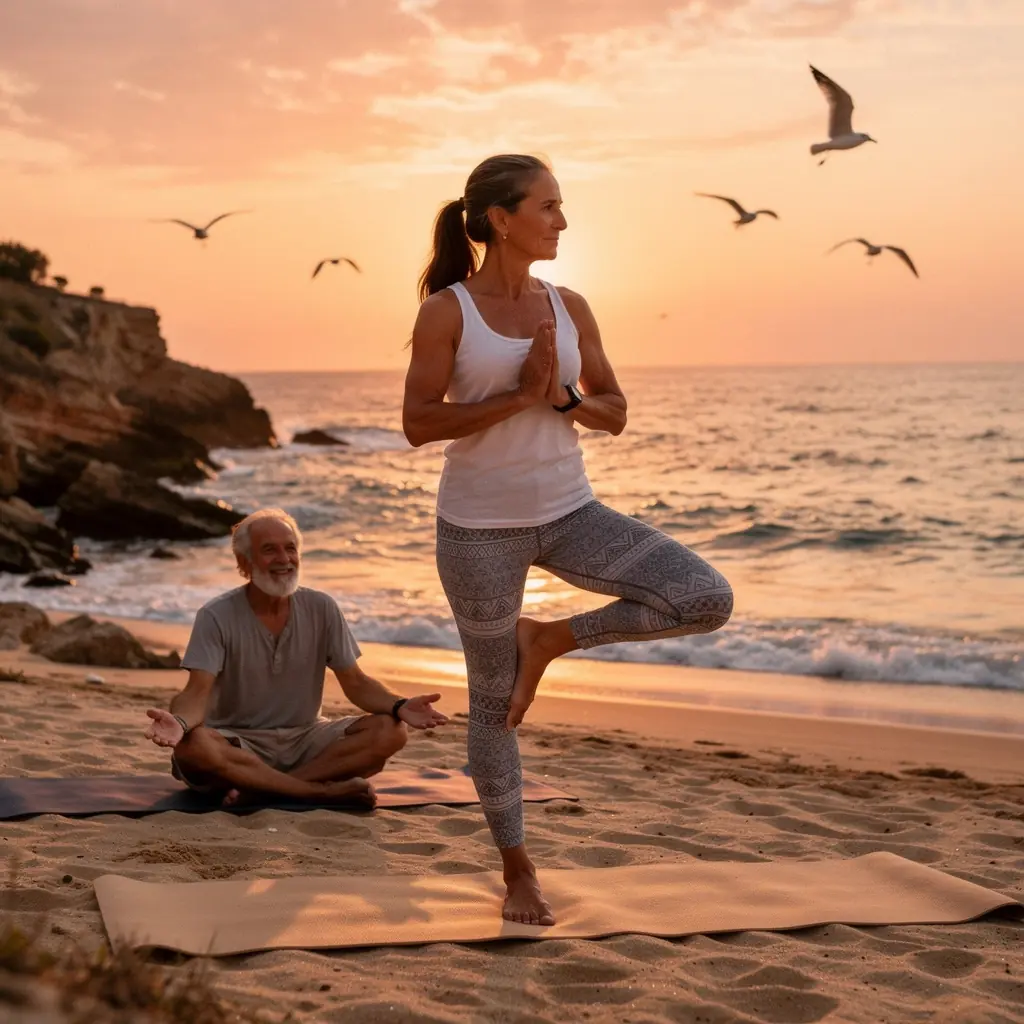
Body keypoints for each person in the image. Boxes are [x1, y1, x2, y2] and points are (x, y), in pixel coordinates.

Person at [402, 154, 734, 925]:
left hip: (570, 511)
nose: (561, 220)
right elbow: (419, 424)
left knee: (703, 597)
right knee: (491, 708)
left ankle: (550, 638)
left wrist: (564, 400)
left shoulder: (571, 304)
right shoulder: (447, 312)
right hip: (479, 529)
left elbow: (615, 410)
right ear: (499, 219)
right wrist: (517, 397)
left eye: (561, 206)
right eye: (547, 206)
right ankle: (519, 872)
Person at [144, 508, 448, 807]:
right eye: (269, 550)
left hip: (307, 740)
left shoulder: (322, 607)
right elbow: (196, 692)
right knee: (193, 748)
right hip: (236, 743)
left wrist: (400, 705)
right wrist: (180, 723)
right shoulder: (215, 615)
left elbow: (356, 683)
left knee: (391, 729)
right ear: (244, 562)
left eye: (290, 548)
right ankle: (316, 793)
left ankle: (264, 790)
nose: (284, 559)